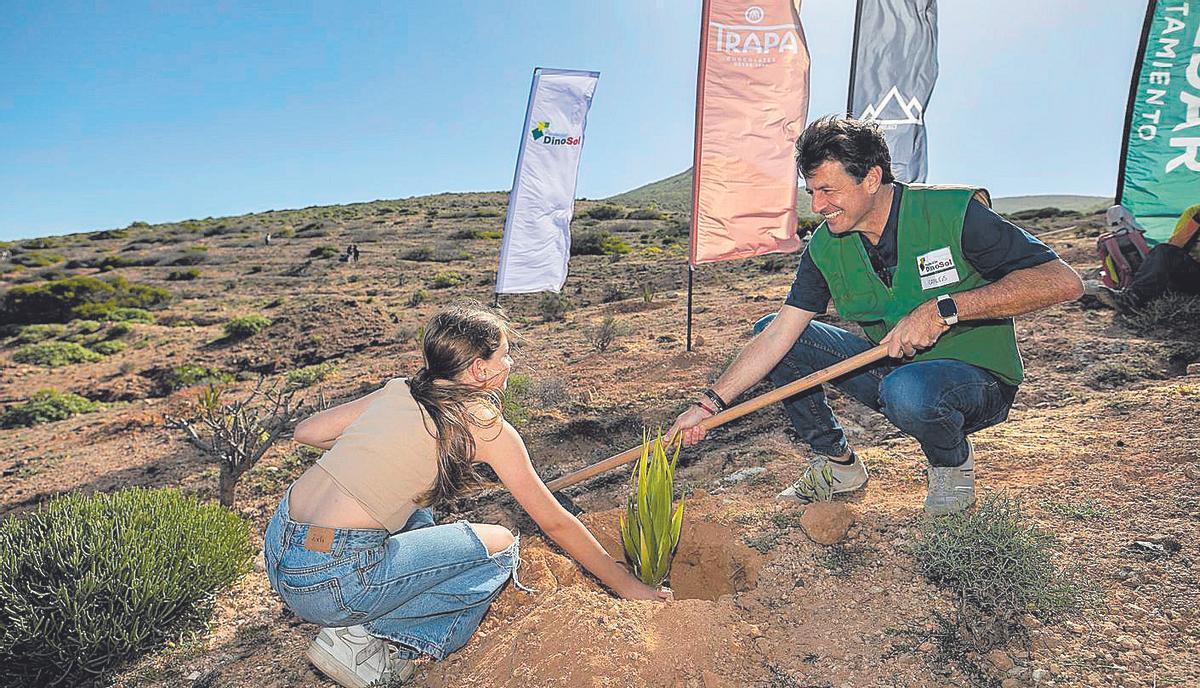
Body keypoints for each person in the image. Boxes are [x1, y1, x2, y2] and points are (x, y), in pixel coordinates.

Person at [667, 115, 1083, 516]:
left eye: (828, 191)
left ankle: (951, 464)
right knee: (779, 337)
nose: (818, 206)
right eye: (811, 192)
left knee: (910, 391)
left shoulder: (951, 212)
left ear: (871, 178)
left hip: (976, 380)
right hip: (891, 370)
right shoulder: (826, 247)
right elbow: (778, 336)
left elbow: (1062, 281)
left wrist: (945, 310)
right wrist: (707, 406)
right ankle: (839, 465)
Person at [262, 302, 668, 688]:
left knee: (419, 508)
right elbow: (555, 521)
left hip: (281, 548)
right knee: (501, 546)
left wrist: (376, 451)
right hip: (330, 582)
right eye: (504, 355)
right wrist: (631, 588)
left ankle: (358, 619)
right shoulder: (485, 427)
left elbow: (307, 432)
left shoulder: (402, 389)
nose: (510, 363)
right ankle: (364, 636)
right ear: (478, 369)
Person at [1091, 203, 1200, 310]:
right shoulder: (1194, 211)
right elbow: (1175, 247)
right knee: (1163, 251)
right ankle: (1131, 298)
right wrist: (1196, 221)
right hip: (1193, 274)